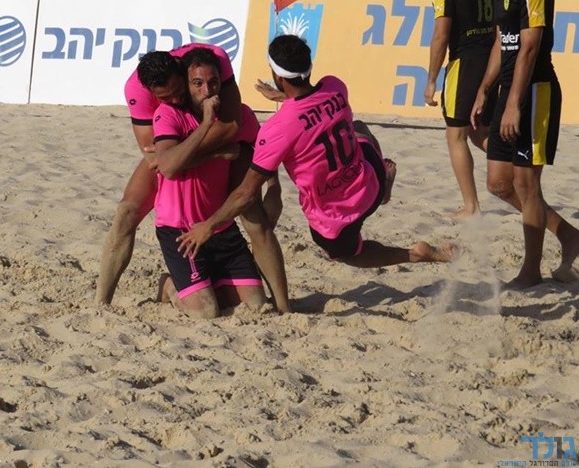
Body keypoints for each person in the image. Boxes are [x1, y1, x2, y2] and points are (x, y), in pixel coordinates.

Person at [177, 34, 456, 271]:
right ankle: (384, 181)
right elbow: (311, 103)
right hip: (369, 181)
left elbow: (245, 193)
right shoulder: (335, 86)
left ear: (277, 76)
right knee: (358, 127)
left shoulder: (276, 129)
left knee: (347, 254)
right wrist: (283, 96)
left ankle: (413, 254)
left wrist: (208, 225)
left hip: (336, 215)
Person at [95, 44, 290, 312]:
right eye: (165, 96)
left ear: (182, 76)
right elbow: (160, 162)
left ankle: (282, 306)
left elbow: (235, 127)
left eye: (178, 91)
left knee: (254, 215)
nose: (176, 99)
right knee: (126, 211)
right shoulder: (150, 100)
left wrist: (274, 188)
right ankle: (100, 303)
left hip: (203, 148)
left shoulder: (214, 62)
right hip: (179, 158)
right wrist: (217, 153)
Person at [470, 0, 579, 287]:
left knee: (526, 184)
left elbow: (530, 47)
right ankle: (568, 234)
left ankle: (531, 272)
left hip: (535, 91)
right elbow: (501, 42)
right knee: (498, 184)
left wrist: (515, 102)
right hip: (509, 91)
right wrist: (485, 88)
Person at [153, 47, 267, 318]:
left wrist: (273, 190)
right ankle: (169, 285)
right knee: (206, 314)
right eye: (197, 83)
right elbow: (168, 166)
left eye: (213, 82)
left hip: (220, 226)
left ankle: (205, 282)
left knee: (255, 306)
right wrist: (206, 128)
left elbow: (267, 154)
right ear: (186, 84)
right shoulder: (168, 114)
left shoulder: (236, 116)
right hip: (181, 229)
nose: (207, 90)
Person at [418, 0, 497, 219]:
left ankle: (471, 207)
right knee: (478, 131)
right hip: (490, 62)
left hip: (465, 64)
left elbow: (440, 36)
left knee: (455, 135)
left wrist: (431, 80)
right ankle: (520, 172)